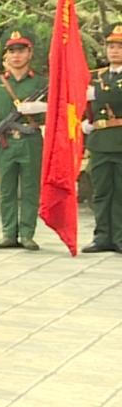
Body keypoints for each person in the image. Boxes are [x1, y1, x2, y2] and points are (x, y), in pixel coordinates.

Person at [0, 31, 48, 251]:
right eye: (12, 51)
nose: (16, 56)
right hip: (6, 143)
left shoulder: (41, 82)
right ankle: (8, 233)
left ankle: (27, 234)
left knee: (30, 189)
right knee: (7, 190)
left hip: (30, 141)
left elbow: (61, 107)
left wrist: (42, 107)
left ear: (29, 53)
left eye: (21, 51)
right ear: (6, 55)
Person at [85, 25, 122, 252]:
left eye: (119, 47)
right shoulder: (97, 76)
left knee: (120, 192)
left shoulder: (98, 85)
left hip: (120, 141)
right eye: (111, 46)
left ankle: (119, 237)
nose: (114, 51)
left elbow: (117, 96)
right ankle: (102, 236)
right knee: (101, 192)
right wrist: (83, 120)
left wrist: (97, 93)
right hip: (100, 141)